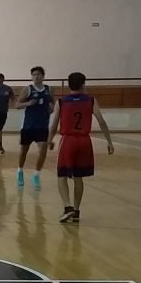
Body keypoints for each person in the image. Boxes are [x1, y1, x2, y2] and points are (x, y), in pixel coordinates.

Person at [47, 72, 114, 223]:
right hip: (84, 141)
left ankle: (67, 207)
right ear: (83, 84)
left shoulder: (61, 102)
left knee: (62, 175)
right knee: (79, 177)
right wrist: (109, 142)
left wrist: (50, 140)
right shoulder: (91, 101)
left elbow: (54, 124)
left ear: (69, 85)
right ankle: (76, 210)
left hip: (68, 140)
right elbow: (102, 121)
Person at [14, 66, 53, 188]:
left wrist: (51, 107)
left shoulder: (48, 89)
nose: (36, 77)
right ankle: (20, 171)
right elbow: (17, 105)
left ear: (43, 76)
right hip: (28, 126)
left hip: (42, 125)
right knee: (23, 151)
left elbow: (52, 103)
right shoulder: (28, 89)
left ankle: (36, 174)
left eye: (38, 74)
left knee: (43, 150)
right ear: (32, 77)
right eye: (34, 74)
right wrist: (28, 103)